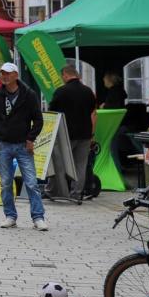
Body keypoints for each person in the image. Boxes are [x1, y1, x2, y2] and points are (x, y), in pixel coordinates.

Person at [0, 62, 46, 230]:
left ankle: (38, 217)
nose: (5, 76)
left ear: (16, 75)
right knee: (6, 183)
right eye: (2, 73)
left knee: (31, 182)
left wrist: (31, 139)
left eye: (8, 73)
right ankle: (10, 216)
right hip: (3, 145)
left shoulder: (29, 95)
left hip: (23, 145)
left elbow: (38, 119)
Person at [48, 64, 96, 202]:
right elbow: (92, 111)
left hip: (66, 134)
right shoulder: (88, 91)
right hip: (85, 134)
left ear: (65, 75)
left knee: (59, 162)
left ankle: (55, 192)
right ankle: (76, 194)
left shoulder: (61, 91)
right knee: (80, 165)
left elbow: (52, 111)